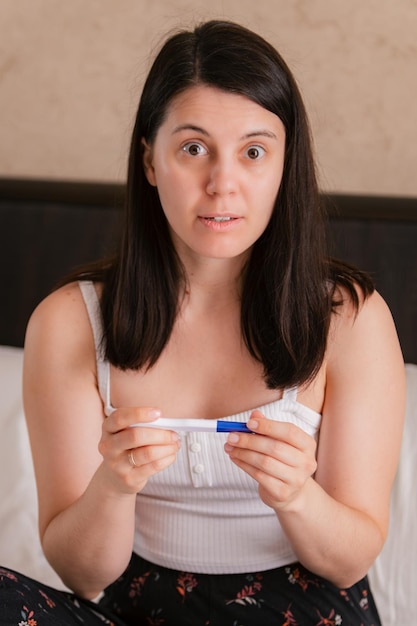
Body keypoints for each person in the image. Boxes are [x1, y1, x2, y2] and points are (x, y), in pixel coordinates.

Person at [0, 19, 405, 626]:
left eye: (253, 151)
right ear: (150, 160)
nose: (223, 184)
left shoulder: (348, 318)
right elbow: (83, 575)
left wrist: (297, 494)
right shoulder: (70, 323)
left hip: (307, 609)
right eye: (193, 149)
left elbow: (349, 562)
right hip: (133, 610)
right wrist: (113, 484)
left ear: (284, 165)